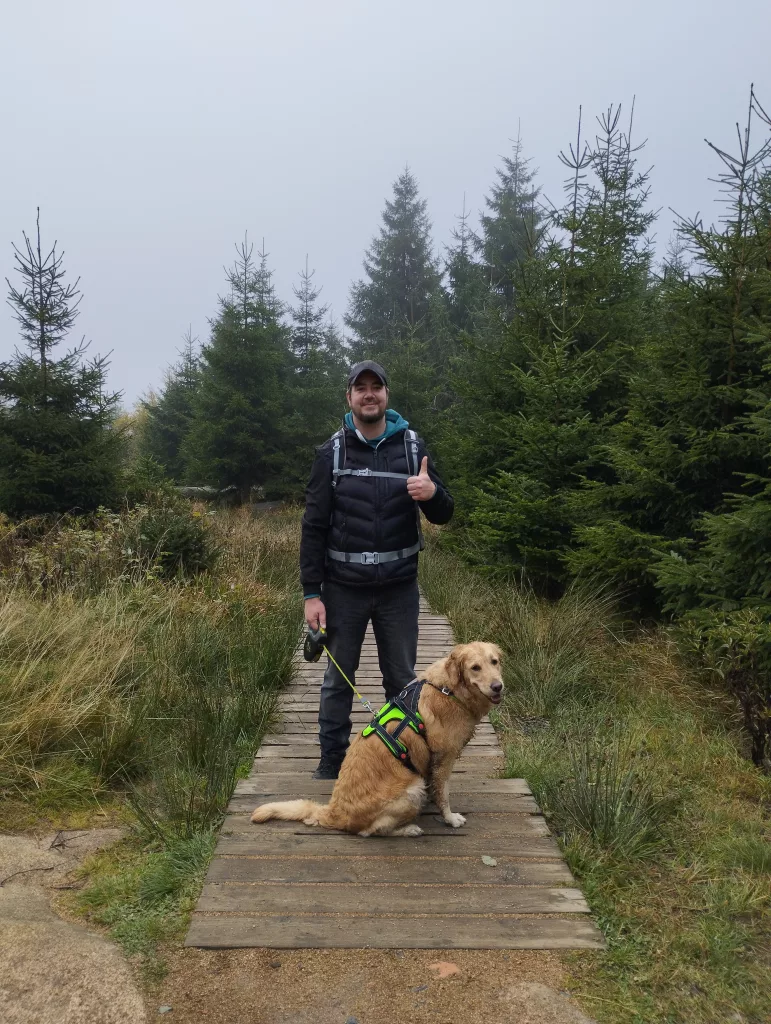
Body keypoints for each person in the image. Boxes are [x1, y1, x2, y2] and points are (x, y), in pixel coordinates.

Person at [300, 360, 454, 778]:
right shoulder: (330, 452)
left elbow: (445, 513)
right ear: (349, 397)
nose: (369, 394)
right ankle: (332, 761)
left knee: (402, 681)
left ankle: (399, 758)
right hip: (342, 589)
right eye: (360, 387)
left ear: (386, 394)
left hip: (398, 588)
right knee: (337, 680)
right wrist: (311, 594)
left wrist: (432, 492)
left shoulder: (412, 447)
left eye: (376, 387)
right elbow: (313, 527)